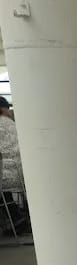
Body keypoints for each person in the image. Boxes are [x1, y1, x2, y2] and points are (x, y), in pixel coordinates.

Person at [0, 96, 27, 234]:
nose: (9, 111)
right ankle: (16, 219)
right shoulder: (11, 123)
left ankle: (14, 221)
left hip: (8, 175)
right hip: (22, 172)